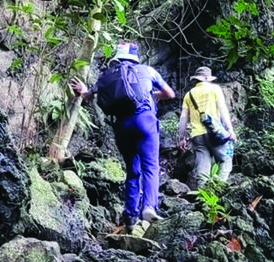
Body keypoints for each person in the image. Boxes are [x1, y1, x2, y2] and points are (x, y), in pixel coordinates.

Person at [70, 42, 175, 232]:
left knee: (132, 170)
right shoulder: (147, 70)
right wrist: (153, 95)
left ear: (117, 58)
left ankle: (130, 217)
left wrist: (83, 89)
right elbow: (170, 94)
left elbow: (88, 96)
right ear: (135, 58)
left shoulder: (106, 77)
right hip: (144, 121)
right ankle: (149, 207)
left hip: (122, 126)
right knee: (150, 166)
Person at [178, 66, 237, 188]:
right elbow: (223, 110)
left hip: (197, 136)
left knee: (202, 169)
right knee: (226, 160)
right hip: (215, 132)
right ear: (208, 78)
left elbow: (183, 118)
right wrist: (230, 130)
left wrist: (181, 138)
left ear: (196, 79)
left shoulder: (189, 95)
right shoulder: (215, 89)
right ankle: (218, 187)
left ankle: (203, 195)